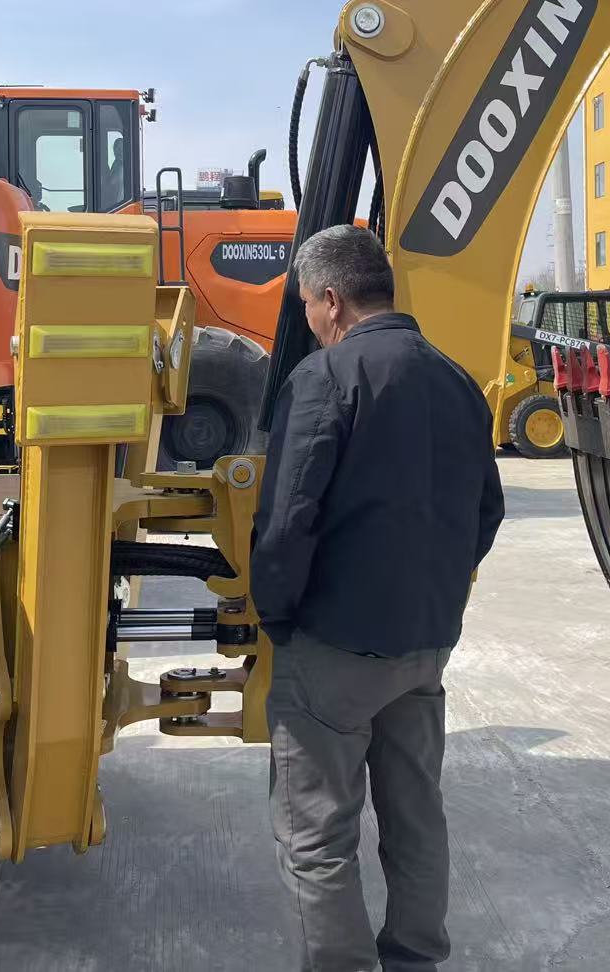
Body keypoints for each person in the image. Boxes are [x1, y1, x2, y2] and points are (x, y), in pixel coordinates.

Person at [252, 224, 505, 972]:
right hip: (425, 644)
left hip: (335, 643)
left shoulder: (325, 379)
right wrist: (436, 593)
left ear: (332, 300)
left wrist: (278, 615)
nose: (308, 319)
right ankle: (416, 958)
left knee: (315, 833)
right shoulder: (457, 381)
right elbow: (486, 511)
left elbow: (287, 521)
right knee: (415, 813)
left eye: (306, 304)